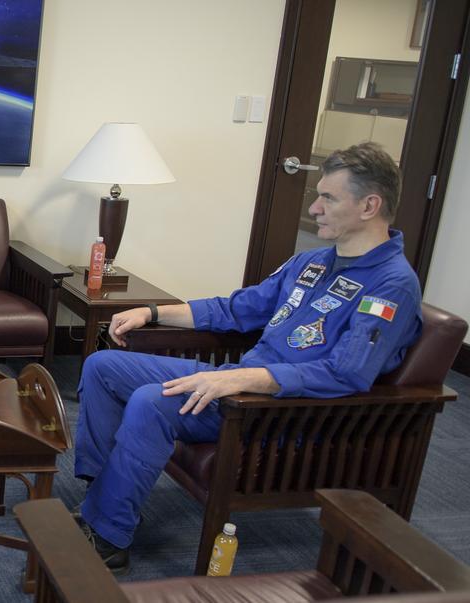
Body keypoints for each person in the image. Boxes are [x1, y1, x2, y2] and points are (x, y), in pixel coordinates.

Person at [72, 142, 422, 574]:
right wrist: (152, 312)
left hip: (279, 411)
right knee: (103, 365)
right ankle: (105, 502)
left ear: (370, 205)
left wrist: (243, 380)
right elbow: (238, 308)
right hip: (237, 381)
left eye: (328, 197)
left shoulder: (392, 285)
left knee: (151, 400)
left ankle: (108, 535)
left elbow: (346, 373)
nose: (313, 208)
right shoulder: (311, 262)